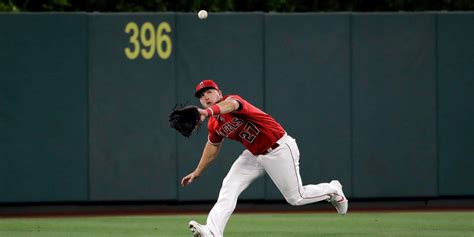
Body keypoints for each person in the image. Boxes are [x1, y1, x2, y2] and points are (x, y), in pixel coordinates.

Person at [181, 80, 348, 237]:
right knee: (229, 185)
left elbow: (232, 105)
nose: (206, 97)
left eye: (209, 92)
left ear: (219, 93)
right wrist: (198, 171)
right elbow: (213, 146)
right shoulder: (214, 124)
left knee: (296, 198)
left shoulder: (231, 100)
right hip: (253, 154)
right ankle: (213, 231)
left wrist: (207, 112)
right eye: (202, 96)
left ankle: (333, 190)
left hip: (279, 148)